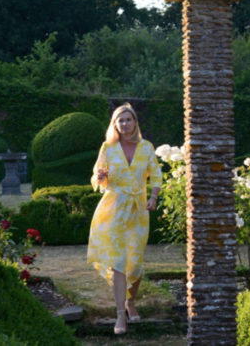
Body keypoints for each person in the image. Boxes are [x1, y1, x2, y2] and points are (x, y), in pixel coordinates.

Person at [87, 103, 162, 334]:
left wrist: (153, 197)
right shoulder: (108, 148)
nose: (125, 124)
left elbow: (156, 175)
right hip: (112, 209)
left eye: (128, 120)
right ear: (115, 124)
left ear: (135, 122)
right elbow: (97, 177)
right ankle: (120, 315)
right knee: (118, 261)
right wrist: (99, 177)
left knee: (135, 263)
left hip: (138, 211)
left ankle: (131, 301)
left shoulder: (146, 147)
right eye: (121, 120)